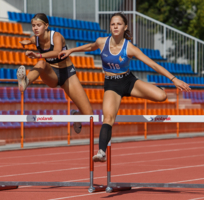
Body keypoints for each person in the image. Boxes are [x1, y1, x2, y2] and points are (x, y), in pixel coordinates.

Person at [59, 12, 191, 162]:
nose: (115, 26)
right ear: (110, 27)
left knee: (162, 96)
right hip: (112, 85)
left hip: (128, 82)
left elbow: (152, 64)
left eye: (119, 24)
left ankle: (157, 88)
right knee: (108, 118)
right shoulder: (102, 42)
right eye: (113, 24)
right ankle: (101, 152)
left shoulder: (130, 48)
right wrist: (71, 50)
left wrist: (174, 79)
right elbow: (90, 46)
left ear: (125, 27)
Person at [17, 13, 93, 133]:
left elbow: (57, 51)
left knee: (89, 115)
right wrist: (26, 42)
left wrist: (39, 55)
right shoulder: (35, 39)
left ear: (46, 26)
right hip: (51, 73)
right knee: (41, 64)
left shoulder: (56, 36)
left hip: (68, 74)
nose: (35, 28)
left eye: (38, 25)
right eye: (33, 26)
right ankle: (25, 82)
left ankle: (76, 115)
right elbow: (31, 40)